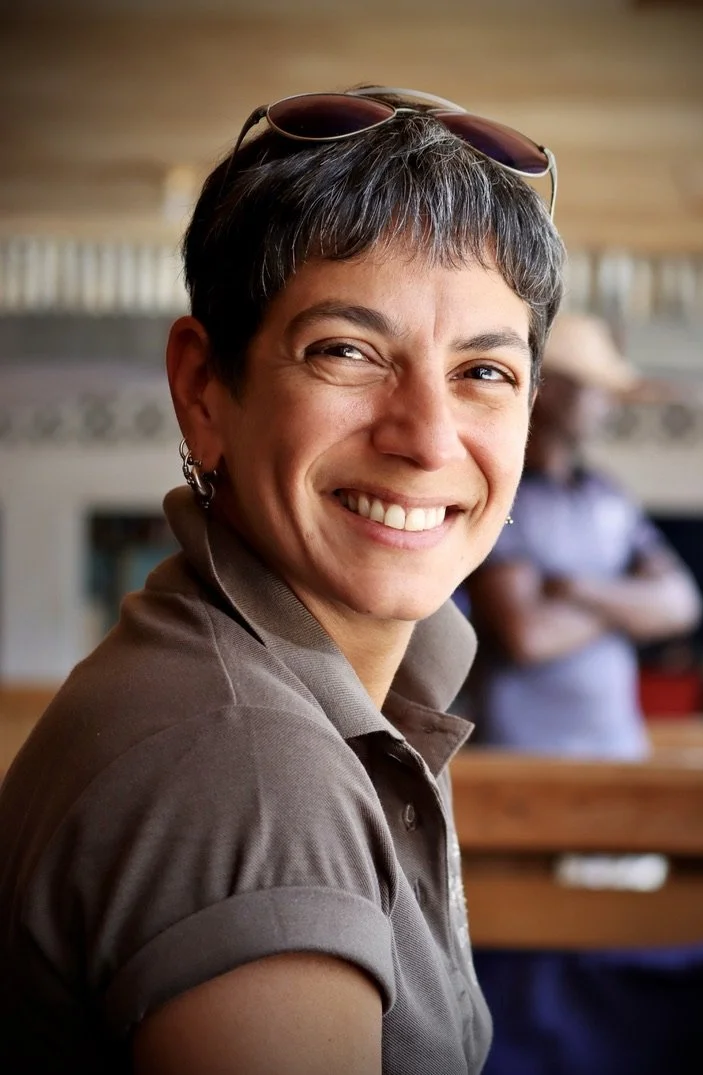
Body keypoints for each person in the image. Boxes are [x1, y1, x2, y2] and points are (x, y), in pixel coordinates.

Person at [0, 85, 564, 1074]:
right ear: (202, 391)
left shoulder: (253, 682)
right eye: (346, 351)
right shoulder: (251, 775)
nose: (427, 439)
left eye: (483, 371)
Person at [461, 312, 703, 759]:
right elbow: (527, 635)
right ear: (550, 390)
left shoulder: (608, 495)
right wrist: (630, 611)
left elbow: (681, 604)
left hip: (621, 752)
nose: (609, 406)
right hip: (521, 763)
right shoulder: (501, 498)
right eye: (598, 390)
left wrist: (578, 590)